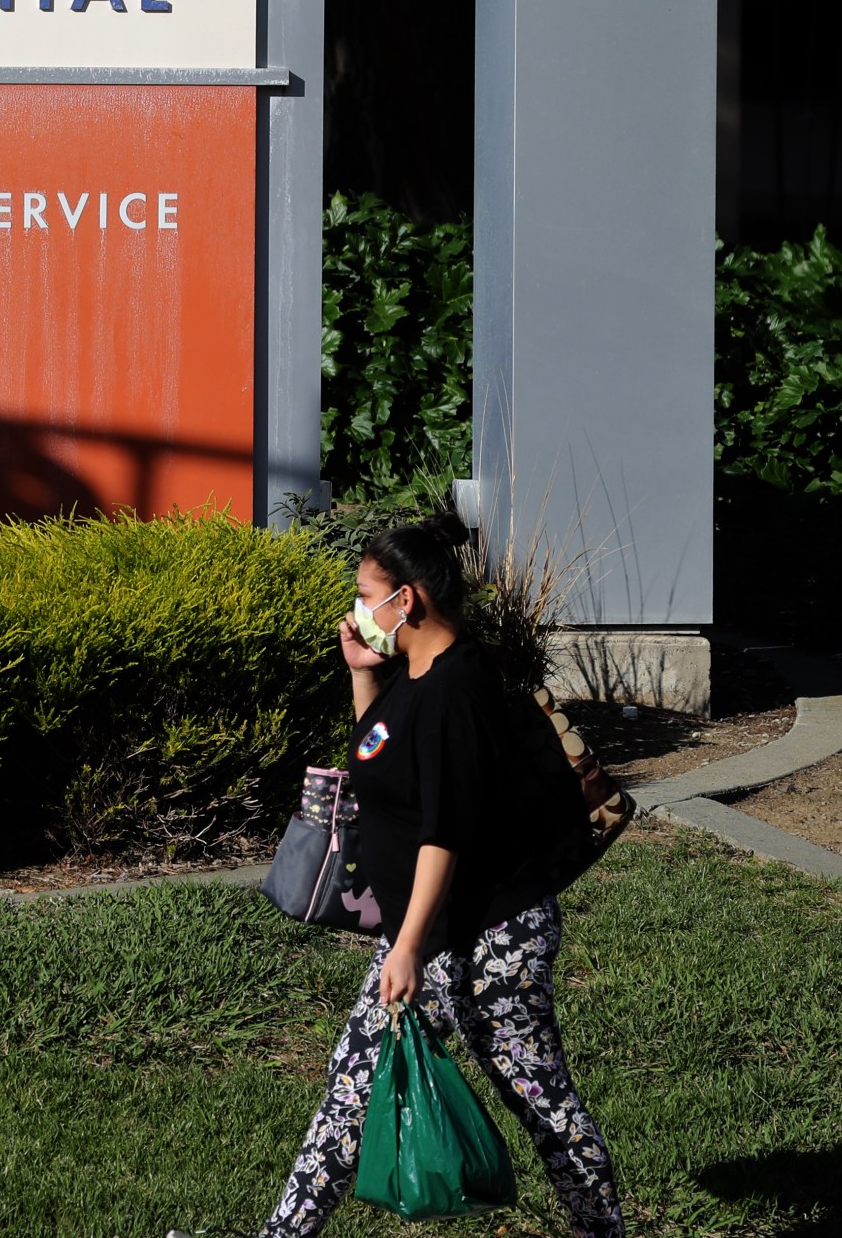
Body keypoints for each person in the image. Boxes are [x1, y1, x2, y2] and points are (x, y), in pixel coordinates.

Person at [254, 513, 624, 1238]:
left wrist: (409, 945)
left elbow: (444, 831)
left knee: (541, 1100)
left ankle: (601, 1230)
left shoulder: (457, 690)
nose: (357, 608)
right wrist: (363, 676)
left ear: (410, 599)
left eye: (367, 593)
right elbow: (377, 762)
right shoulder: (411, 675)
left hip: (490, 936)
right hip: (427, 933)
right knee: (351, 1093)